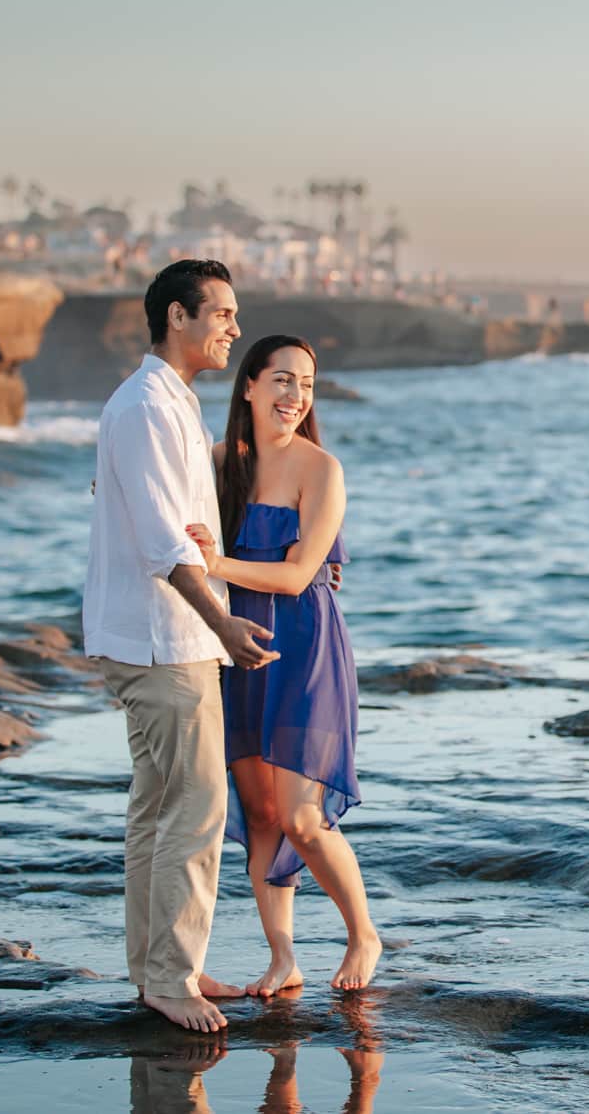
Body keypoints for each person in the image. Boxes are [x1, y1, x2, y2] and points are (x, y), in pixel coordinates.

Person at [84, 258, 278, 1032]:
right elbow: (166, 545)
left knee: (158, 809)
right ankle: (169, 977)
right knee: (196, 808)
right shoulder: (146, 410)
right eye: (222, 313)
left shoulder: (167, 405)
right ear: (177, 317)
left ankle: (164, 968)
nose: (233, 327)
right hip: (167, 641)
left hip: (157, 635)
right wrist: (223, 622)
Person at [184, 334, 381, 995]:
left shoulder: (322, 470)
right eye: (282, 380)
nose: (295, 396)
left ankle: (363, 934)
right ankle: (282, 956)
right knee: (261, 814)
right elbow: (149, 490)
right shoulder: (217, 465)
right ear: (248, 386)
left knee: (302, 815)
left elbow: (299, 575)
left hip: (304, 650)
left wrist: (215, 564)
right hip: (239, 649)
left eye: (306, 384)